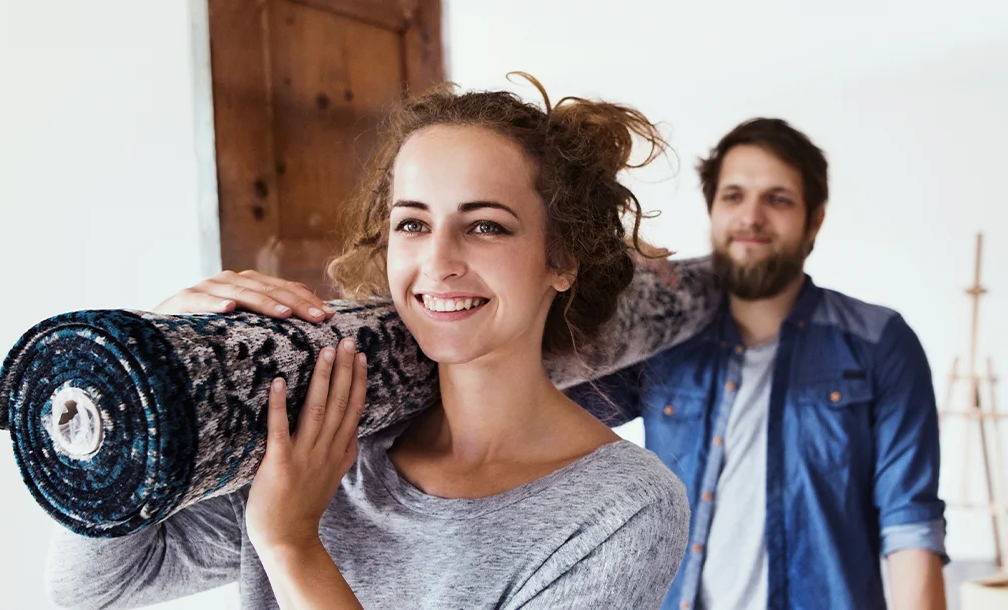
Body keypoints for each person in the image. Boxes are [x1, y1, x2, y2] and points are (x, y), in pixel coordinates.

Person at [43, 77, 690, 610]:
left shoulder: (623, 509)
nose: (437, 262)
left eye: (486, 225)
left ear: (562, 259)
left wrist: (292, 544)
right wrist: (143, 362)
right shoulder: (332, 443)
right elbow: (95, 585)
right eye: (412, 222)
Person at [578, 118, 949, 610]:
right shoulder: (661, 339)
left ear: (813, 221)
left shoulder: (880, 342)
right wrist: (610, 283)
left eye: (777, 199)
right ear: (712, 211)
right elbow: (544, 412)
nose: (750, 217)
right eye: (733, 196)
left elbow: (911, 527)